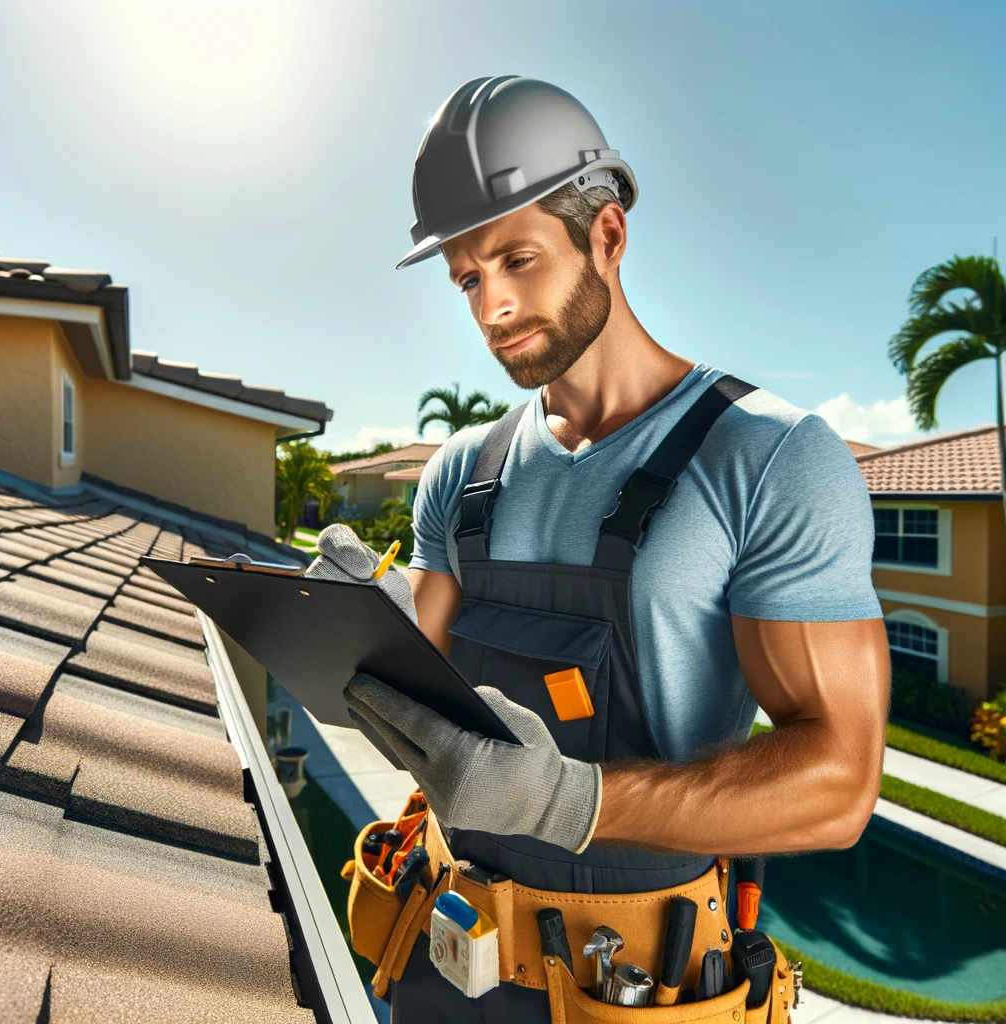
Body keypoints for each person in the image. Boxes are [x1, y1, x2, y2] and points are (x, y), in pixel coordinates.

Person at [342, 75, 890, 1022]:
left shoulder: (766, 456)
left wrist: (568, 802)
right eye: (469, 277)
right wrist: (344, 634)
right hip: (444, 962)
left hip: (635, 988)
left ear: (608, 235)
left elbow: (838, 785)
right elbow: (412, 693)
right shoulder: (462, 471)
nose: (491, 307)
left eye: (517, 259)